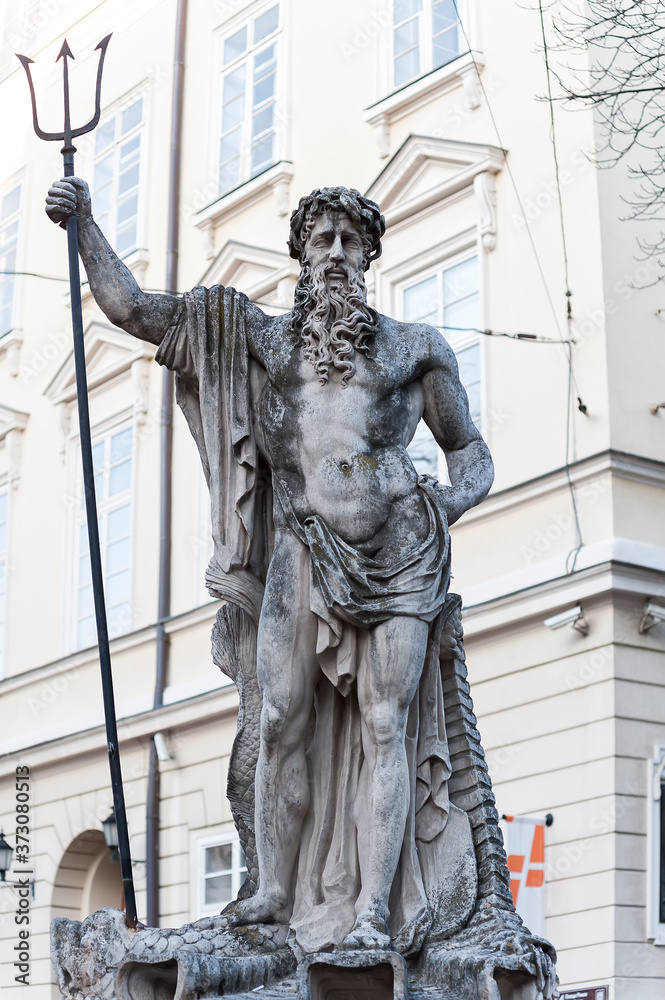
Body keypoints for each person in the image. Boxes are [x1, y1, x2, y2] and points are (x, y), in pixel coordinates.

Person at [46, 179, 494, 955]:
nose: (335, 254)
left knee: (387, 726)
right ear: (299, 254)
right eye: (321, 240)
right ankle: (275, 890)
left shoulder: (414, 348)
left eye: (350, 242)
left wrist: (445, 507)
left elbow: (471, 453)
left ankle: (373, 915)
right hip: (301, 550)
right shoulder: (260, 339)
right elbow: (129, 310)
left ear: (369, 256)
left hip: (399, 556)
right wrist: (85, 221)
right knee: (280, 718)